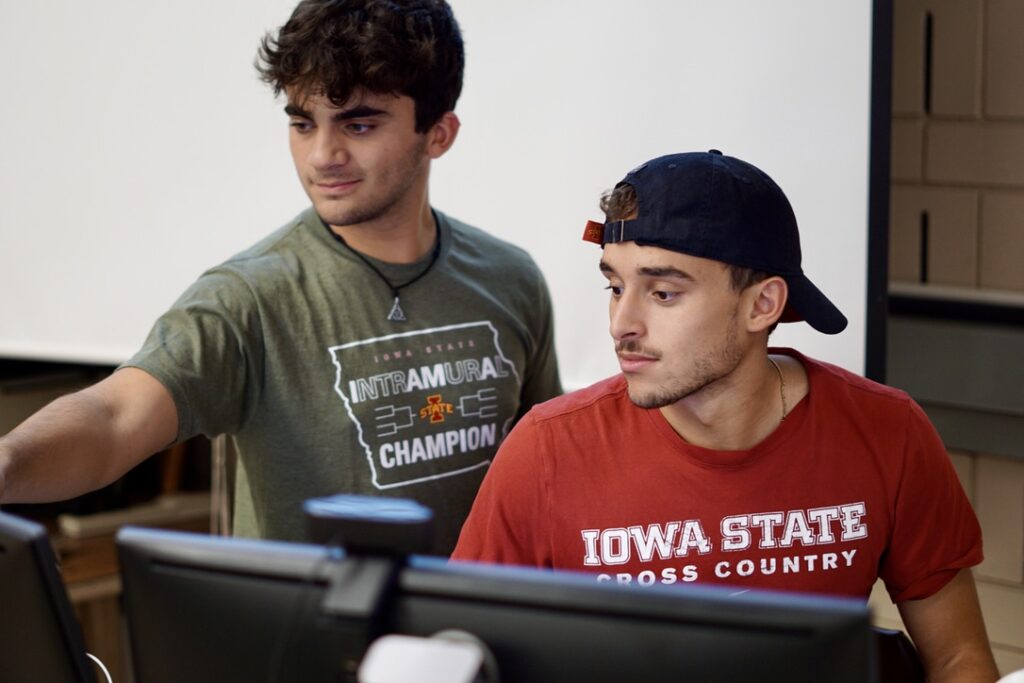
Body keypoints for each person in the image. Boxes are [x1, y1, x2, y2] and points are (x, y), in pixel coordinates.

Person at [0, 0, 561, 556]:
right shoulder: (247, 296)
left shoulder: (511, 280)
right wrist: (8, 463)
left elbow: (549, 473)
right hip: (304, 643)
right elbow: (115, 416)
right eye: (301, 122)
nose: (322, 155)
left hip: (474, 640)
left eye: (358, 124)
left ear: (439, 133)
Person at [452, 151, 998, 681]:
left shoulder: (888, 432)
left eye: (663, 293)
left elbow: (959, 660)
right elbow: (453, 659)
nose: (623, 322)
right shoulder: (547, 450)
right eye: (615, 287)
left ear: (763, 305)